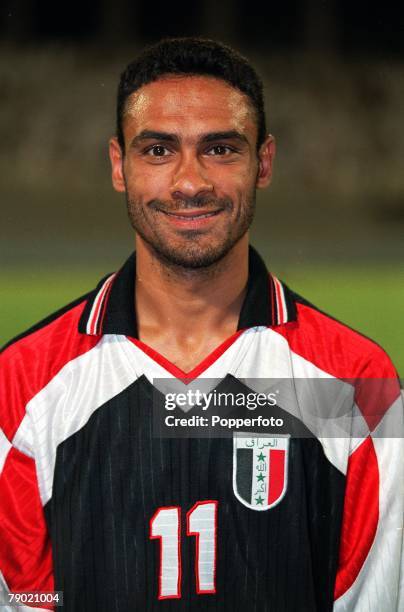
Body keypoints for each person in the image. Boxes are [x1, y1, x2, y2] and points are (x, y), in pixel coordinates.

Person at [0, 37, 402, 612]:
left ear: (263, 163)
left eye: (219, 149)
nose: (190, 183)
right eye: (159, 151)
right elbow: (24, 599)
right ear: (120, 165)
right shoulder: (19, 386)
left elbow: (376, 599)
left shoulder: (358, 384)